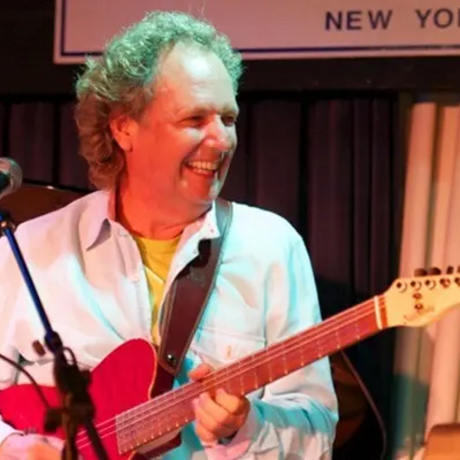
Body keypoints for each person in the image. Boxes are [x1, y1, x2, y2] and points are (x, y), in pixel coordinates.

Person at [0, 10, 338, 459]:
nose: (222, 140)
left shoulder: (272, 248)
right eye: (195, 119)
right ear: (124, 127)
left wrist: (248, 425)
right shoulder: (29, 250)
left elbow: (318, 433)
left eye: (228, 119)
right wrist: (18, 448)